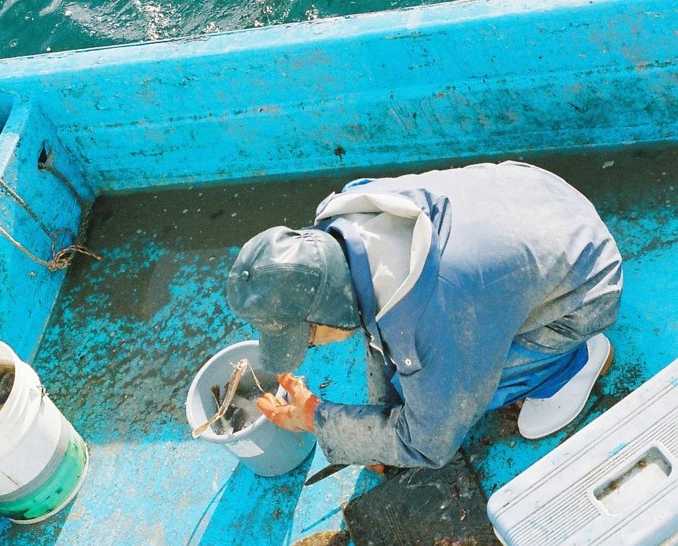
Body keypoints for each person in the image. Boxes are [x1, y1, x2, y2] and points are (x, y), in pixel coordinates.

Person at [226, 161, 623, 470]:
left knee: (469, 393)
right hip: (531, 195)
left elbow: (428, 443)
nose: (309, 345)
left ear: (328, 312)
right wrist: (375, 426)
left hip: (585, 285)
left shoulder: (437, 315)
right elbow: (373, 319)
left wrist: (317, 418)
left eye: (306, 336)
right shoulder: (346, 219)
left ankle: (568, 366)